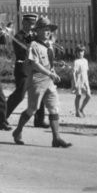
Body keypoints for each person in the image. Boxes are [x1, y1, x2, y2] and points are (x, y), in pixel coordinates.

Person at [11, 17, 72, 148]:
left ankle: (56, 138)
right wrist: (50, 73)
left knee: (54, 108)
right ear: (37, 31)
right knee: (32, 109)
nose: (47, 32)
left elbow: (46, 62)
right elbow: (35, 64)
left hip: (49, 81)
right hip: (36, 80)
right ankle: (18, 131)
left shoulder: (48, 45)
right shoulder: (34, 45)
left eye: (49, 30)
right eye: (45, 29)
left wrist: (55, 65)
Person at [3, 13, 37, 125]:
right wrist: (31, 44)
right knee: (20, 94)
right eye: (30, 24)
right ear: (24, 23)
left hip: (35, 68)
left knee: (39, 92)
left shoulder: (34, 36)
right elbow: (23, 52)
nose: (32, 26)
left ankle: (39, 120)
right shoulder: (19, 37)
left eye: (33, 24)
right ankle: (3, 115)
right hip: (23, 68)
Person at [72, 45, 91, 117]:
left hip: (85, 81)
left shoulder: (85, 61)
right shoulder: (76, 62)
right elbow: (73, 73)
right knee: (78, 96)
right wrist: (75, 82)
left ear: (84, 52)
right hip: (78, 80)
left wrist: (87, 81)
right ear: (76, 53)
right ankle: (77, 111)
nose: (80, 53)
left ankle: (81, 108)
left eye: (82, 51)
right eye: (79, 52)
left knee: (89, 95)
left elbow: (86, 71)